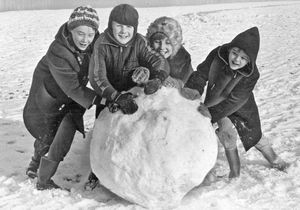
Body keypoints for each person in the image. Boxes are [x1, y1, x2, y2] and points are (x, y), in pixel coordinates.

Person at [182, 27, 288, 178]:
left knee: (254, 135)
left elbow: (235, 101)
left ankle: (275, 159)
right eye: (235, 53)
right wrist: (193, 89)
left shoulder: (251, 75)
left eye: (243, 58)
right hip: (216, 101)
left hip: (241, 105)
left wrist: (210, 114)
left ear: (249, 61)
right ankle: (235, 172)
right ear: (229, 49)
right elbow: (201, 73)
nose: (237, 59)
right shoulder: (217, 54)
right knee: (227, 135)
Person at [85, 4, 170, 190]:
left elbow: (159, 60)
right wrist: (115, 96)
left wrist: (158, 78)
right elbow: (97, 76)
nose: (124, 31)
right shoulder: (101, 44)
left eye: (129, 27)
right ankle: (96, 170)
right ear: (111, 25)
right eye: (119, 26)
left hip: (133, 93)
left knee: (134, 130)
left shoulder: (140, 42)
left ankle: (134, 166)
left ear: (135, 28)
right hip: (110, 94)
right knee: (104, 131)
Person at [23, 6, 103, 190]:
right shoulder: (58, 50)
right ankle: (39, 173)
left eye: (90, 34)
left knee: (64, 128)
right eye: (80, 33)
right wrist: (102, 99)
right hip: (48, 90)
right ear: (70, 30)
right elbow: (73, 87)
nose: (85, 39)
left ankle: (39, 171)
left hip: (70, 93)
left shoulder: (95, 45)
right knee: (48, 128)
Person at [145, 16, 194, 89]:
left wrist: (175, 83)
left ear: (175, 44)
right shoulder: (144, 54)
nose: (162, 47)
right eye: (157, 42)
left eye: (168, 43)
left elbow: (189, 83)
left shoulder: (182, 59)